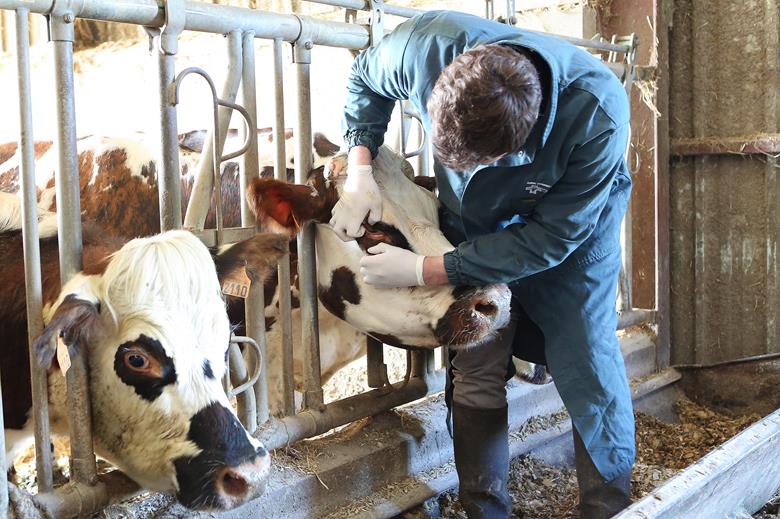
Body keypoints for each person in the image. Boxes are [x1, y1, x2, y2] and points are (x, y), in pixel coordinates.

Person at [330, 10, 634, 519]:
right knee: (476, 360)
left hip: (570, 233)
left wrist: (426, 269)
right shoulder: (429, 46)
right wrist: (359, 169)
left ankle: (608, 508)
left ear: (521, 140)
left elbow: (553, 237)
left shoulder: (597, 113)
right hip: (472, 224)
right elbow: (365, 77)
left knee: (587, 357)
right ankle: (484, 508)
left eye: (481, 162)